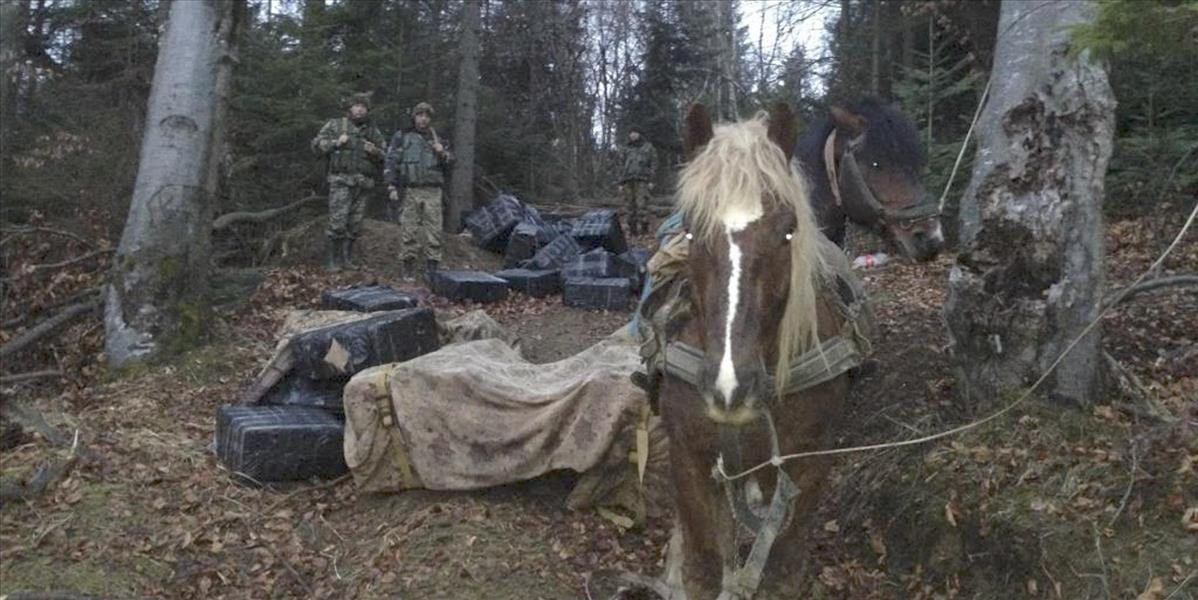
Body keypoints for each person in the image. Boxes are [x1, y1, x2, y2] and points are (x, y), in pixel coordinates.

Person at [309, 93, 386, 271]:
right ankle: (331, 261)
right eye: (356, 105)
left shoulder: (373, 131)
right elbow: (316, 146)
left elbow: (385, 155)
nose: (359, 109)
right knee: (338, 222)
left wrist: (375, 151)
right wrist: (336, 142)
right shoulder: (335, 125)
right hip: (342, 181)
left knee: (355, 225)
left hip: (363, 184)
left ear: (367, 110)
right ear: (350, 108)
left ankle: (346, 259)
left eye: (363, 106)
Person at [384, 101, 453, 281]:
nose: (423, 119)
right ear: (414, 116)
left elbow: (451, 165)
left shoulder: (439, 138)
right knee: (409, 230)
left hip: (433, 191)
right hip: (411, 190)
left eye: (426, 116)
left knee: (434, 232)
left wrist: (442, 153)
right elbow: (392, 161)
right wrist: (391, 185)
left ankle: (432, 271)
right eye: (420, 115)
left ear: (430, 118)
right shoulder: (402, 136)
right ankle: (408, 270)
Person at [618, 126, 658, 236]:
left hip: (643, 180)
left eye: (635, 133)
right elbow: (620, 165)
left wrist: (651, 180)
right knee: (629, 205)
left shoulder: (648, 147)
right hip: (628, 180)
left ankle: (644, 230)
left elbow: (654, 164)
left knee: (642, 205)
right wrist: (620, 182)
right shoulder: (626, 148)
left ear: (639, 134)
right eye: (631, 133)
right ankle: (633, 230)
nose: (633, 135)